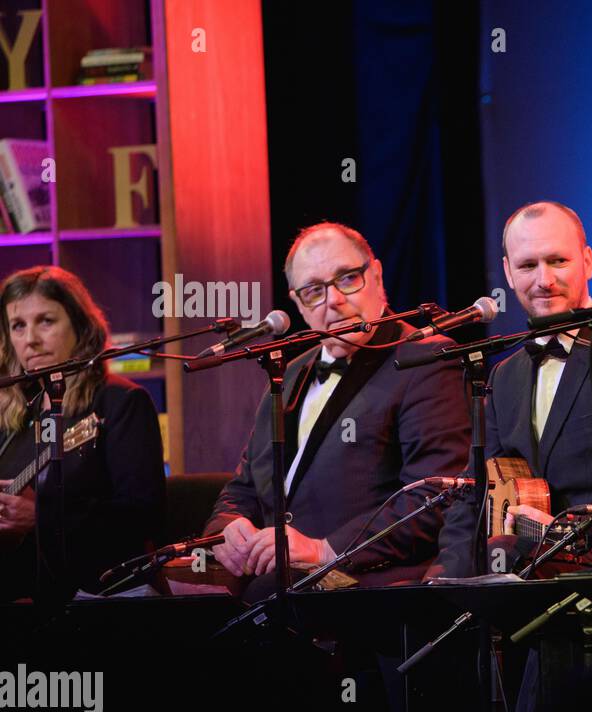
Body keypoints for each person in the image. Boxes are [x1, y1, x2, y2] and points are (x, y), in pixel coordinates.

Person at [204, 221, 470, 595]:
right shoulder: (288, 372)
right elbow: (244, 486)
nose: (333, 300)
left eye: (347, 279)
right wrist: (227, 528)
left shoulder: (427, 360)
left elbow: (436, 497)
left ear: (376, 275)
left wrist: (324, 549)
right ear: (297, 303)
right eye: (314, 290)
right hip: (279, 585)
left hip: (367, 589)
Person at [432, 200, 592, 578]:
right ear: (507, 272)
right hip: (528, 587)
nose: (544, 280)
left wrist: (564, 530)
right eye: (527, 265)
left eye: (558, 261)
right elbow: (475, 493)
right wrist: (444, 579)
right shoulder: (504, 375)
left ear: (588, 261)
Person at [0, 266, 165, 600]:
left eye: (46, 321)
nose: (30, 338)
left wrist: (41, 517)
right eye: (18, 325)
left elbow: (144, 515)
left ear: (79, 326)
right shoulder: (13, 417)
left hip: (101, 591)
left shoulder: (120, 401)